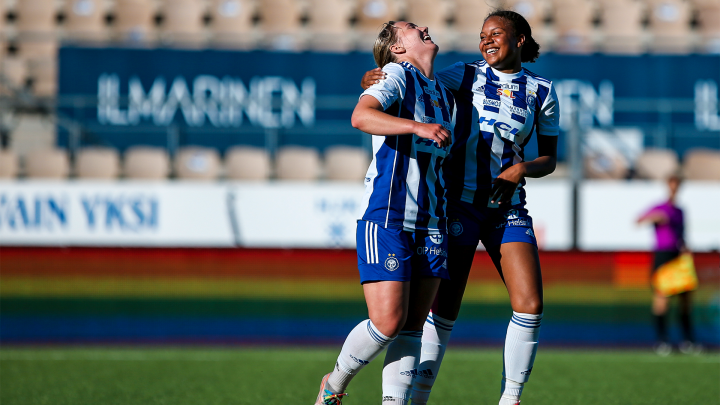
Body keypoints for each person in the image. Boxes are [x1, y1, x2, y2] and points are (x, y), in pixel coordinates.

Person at [361, 10, 558, 405]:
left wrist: (522, 168)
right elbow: (407, 80)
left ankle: (511, 398)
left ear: (519, 39)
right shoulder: (460, 75)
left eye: (496, 34)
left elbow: (550, 159)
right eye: (482, 35)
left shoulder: (542, 90)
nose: (486, 41)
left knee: (531, 303)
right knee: (444, 310)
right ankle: (417, 397)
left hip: (506, 207)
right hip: (457, 205)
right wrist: (371, 75)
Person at [314, 21, 456, 405]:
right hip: (388, 216)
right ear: (395, 49)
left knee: (412, 327)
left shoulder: (446, 93)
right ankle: (334, 383)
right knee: (388, 322)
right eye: (412, 28)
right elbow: (361, 117)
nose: (424, 26)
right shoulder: (397, 74)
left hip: (432, 224)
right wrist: (417, 127)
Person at [637, 175, 700, 356]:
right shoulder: (659, 207)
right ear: (667, 186)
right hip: (662, 256)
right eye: (672, 185)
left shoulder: (680, 211)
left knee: (685, 298)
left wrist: (686, 248)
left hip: (678, 257)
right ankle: (662, 340)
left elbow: (682, 235)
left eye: (677, 185)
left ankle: (688, 341)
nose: (674, 188)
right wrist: (655, 217)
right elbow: (639, 220)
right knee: (661, 298)